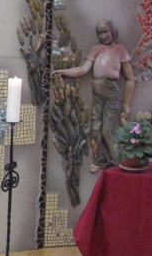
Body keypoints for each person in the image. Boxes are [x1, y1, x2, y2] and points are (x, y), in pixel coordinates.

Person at [53, 20, 135, 172]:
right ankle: (100, 160)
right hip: (97, 91)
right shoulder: (96, 49)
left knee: (106, 130)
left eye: (105, 32)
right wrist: (64, 72)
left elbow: (130, 79)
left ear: (112, 32)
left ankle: (119, 160)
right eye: (100, 33)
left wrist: (126, 103)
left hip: (111, 92)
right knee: (95, 129)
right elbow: (84, 69)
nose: (103, 36)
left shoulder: (120, 50)